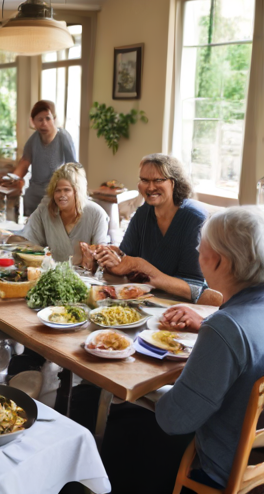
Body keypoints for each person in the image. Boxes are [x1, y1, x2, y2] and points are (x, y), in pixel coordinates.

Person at [156, 206, 264, 490]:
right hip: (258, 457)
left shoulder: (224, 328)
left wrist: (149, 392)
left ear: (218, 261)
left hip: (222, 469)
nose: (197, 254)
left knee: (130, 420)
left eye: (199, 248)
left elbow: (174, 419)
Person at [92, 154, 221, 305]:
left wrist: (140, 265)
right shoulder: (143, 213)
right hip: (146, 301)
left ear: (174, 182)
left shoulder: (194, 219)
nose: (150, 187)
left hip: (183, 307)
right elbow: (127, 258)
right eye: (144, 180)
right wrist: (112, 255)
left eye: (158, 180)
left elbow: (195, 288)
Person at [0, 100, 77, 216]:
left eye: (47, 119)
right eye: (40, 120)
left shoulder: (63, 138)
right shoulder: (33, 140)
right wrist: (13, 178)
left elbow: (73, 168)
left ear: (54, 119)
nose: (44, 123)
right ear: (33, 122)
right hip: (34, 194)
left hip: (55, 193)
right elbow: (25, 162)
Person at [21, 163, 109, 263]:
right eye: (58, 191)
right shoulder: (44, 210)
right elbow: (27, 242)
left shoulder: (97, 214)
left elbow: (101, 254)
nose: (61, 195)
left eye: (67, 190)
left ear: (77, 192)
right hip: (51, 273)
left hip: (86, 276)